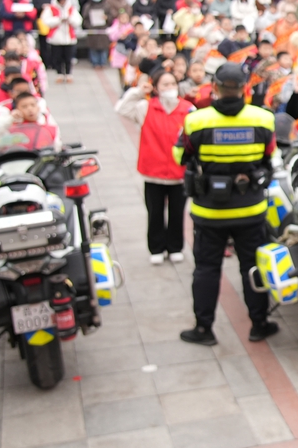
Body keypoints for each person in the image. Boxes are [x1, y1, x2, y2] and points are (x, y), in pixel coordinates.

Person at [174, 63, 278, 346]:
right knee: (252, 268)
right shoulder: (263, 119)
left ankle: (204, 329)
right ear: (245, 88)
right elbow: (270, 156)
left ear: (215, 87)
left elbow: (179, 156)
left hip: (209, 212)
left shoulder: (196, 121)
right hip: (251, 210)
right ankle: (259, 324)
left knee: (207, 269)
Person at [116, 70, 194, 264]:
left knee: (177, 213)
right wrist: (138, 92)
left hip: (179, 173)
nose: (170, 88)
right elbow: (122, 108)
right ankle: (156, 247)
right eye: (165, 84)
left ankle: (175, 247)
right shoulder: (146, 107)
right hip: (153, 172)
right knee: (155, 212)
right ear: (156, 88)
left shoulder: (187, 109)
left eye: (173, 84)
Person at [40, 0, 82, 82]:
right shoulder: (51, 8)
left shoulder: (71, 9)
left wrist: (69, 19)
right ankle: (59, 73)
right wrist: (58, 20)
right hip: (56, 37)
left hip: (69, 37)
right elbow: (45, 21)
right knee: (57, 57)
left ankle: (68, 74)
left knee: (68, 57)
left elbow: (78, 20)